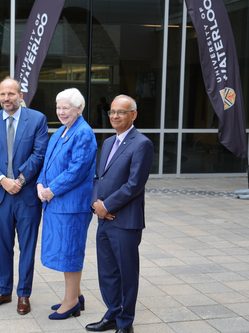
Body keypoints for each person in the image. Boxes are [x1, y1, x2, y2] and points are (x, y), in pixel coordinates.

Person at [0, 77, 48, 315]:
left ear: (20, 96)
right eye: (2, 94)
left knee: (27, 247)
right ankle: (3, 291)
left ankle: (23, 294)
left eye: (11, 94)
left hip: (26, 195)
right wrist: (2, 180)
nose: (6, 98)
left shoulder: (37, 119)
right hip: (0, 195)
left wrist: (18, 181)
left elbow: (39, 154)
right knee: (2, 246)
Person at [86, 95, 154, 333]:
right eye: (112, 112)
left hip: (125, 221)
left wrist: (108, 206)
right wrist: (96, 204)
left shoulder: (142, 143)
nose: (115, 116)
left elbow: (135, 184)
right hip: (104, 218)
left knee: (126, 274)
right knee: (107, 272)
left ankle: (126, 324)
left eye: (121, 112)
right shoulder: (106, 143)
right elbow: (98, 178)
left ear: (133, 115)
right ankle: (113, 314)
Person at [36, 88, 97, 320]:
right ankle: (75, 295)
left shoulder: (84, 133)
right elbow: (47, 163)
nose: (61, 112)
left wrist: (51, 190)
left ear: (79, 109)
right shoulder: (60, 131)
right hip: (55, 204)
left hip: (71, 206)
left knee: (70, 252)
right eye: (58, 107)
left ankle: (71, 302)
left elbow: (77, 170)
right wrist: (41, 184)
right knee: (63, 251)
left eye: (66, 108)